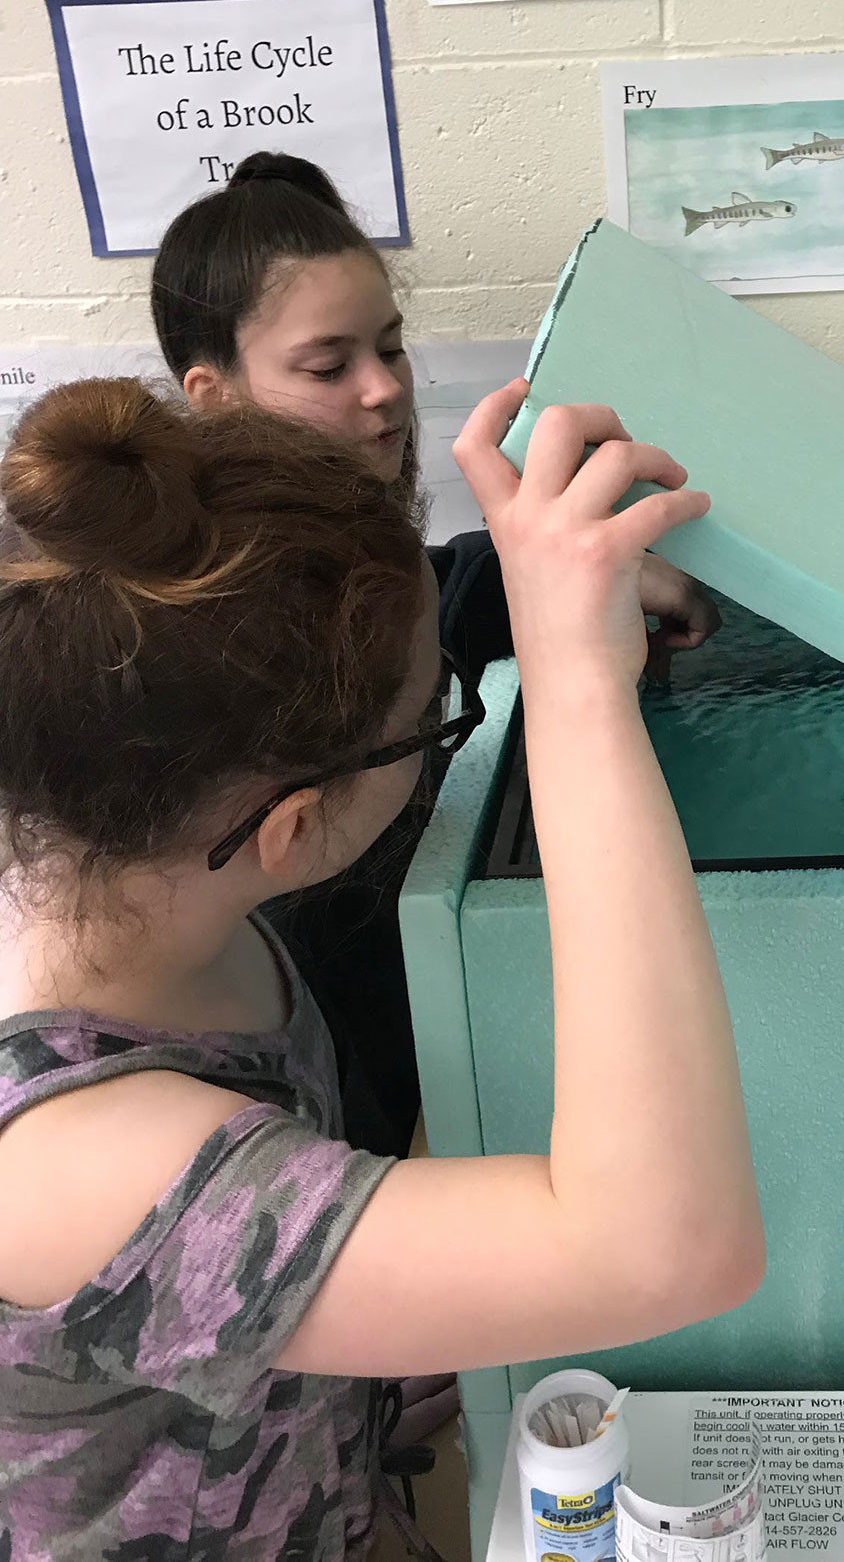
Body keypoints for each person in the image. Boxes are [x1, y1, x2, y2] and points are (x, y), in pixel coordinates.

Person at [0, 377, 763, 1562]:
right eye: (436, 715)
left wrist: (319, 1381)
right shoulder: (68, 1161)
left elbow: (183, 1307)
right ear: (291, 831)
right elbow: (668, 1247)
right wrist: (573, 688)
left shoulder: (105, 873)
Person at [150, 153, 720, 1159]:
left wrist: (566, 578)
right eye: (328, 367)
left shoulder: (380, 568)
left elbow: (435, 584)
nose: (383, 392)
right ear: (215, 393)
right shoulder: (209, 647)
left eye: (392, 347)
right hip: (329, 1116)